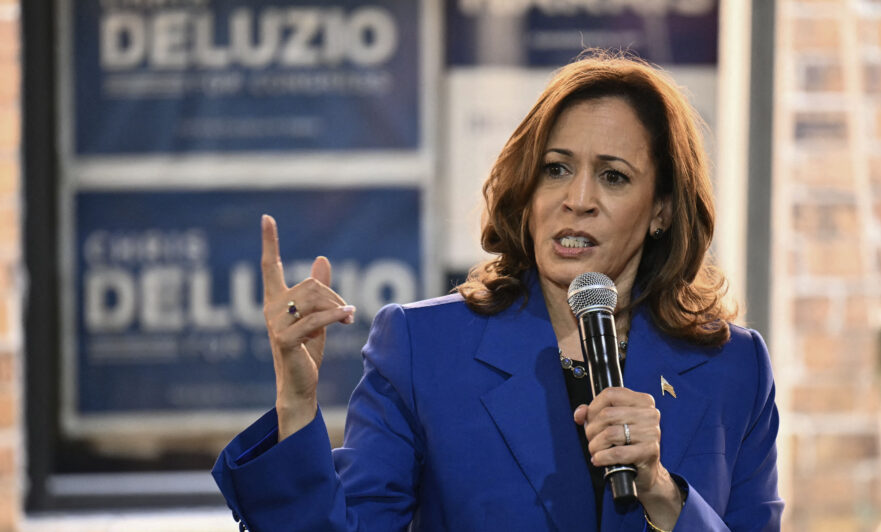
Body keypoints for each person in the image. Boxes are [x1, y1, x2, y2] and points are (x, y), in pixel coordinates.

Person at [212, 51, 784, 531]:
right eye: (556, 169)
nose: (577, 199)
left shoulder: (734, 368)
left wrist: (662, 493)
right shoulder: (423, 348)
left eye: (613, 176)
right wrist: (296, 403)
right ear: (528, 188)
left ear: (661, 209)